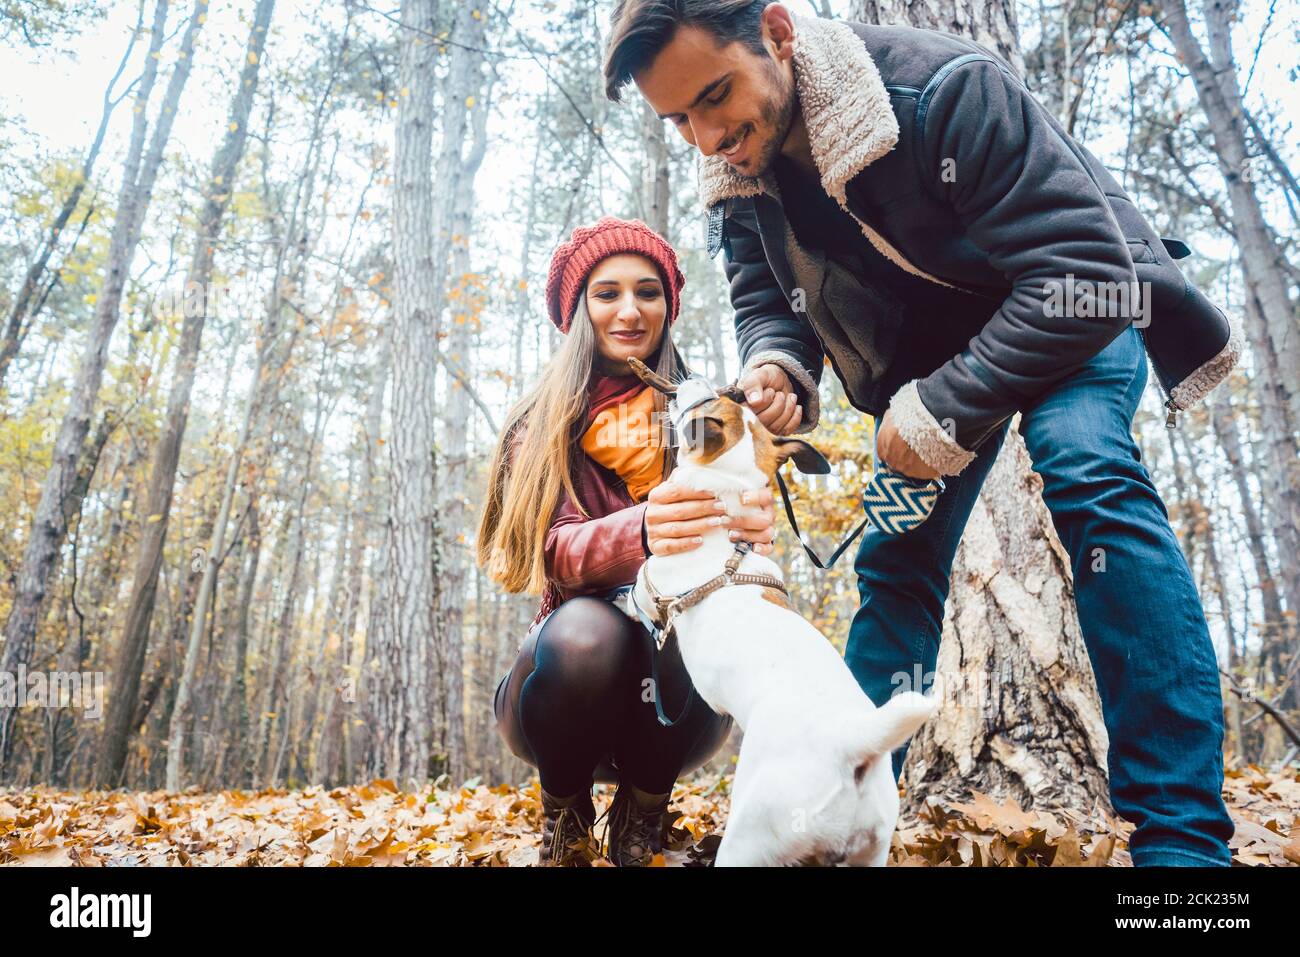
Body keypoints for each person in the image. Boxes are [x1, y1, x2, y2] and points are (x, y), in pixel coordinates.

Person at [602, 1, 1239, 866]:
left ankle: (1183, 853)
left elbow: (1087, 270)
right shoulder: (740, 172)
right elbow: (765, 298)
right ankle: (837, 803)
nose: (707, 137)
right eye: (678, 118)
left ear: (779, 35)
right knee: (896, 561)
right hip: (929, 367)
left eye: (716, 95)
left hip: (1073, 310)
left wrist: (943, 407)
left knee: (1086, 468)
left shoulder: (946, 88)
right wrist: (778, 369)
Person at [476, 216, 780, 866]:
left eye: (648, 291)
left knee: (701, 625)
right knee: (589, 632)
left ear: (668, 304)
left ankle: (645, 817)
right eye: (607, 292)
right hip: (562, 683)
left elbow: (741, 542)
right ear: (579, 308)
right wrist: (642, 530)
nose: (630, 309)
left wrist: (749, 533)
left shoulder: (708, 411)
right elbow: (546, 549)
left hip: (676, 703)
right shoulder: (543, 420)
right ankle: (567, 816)